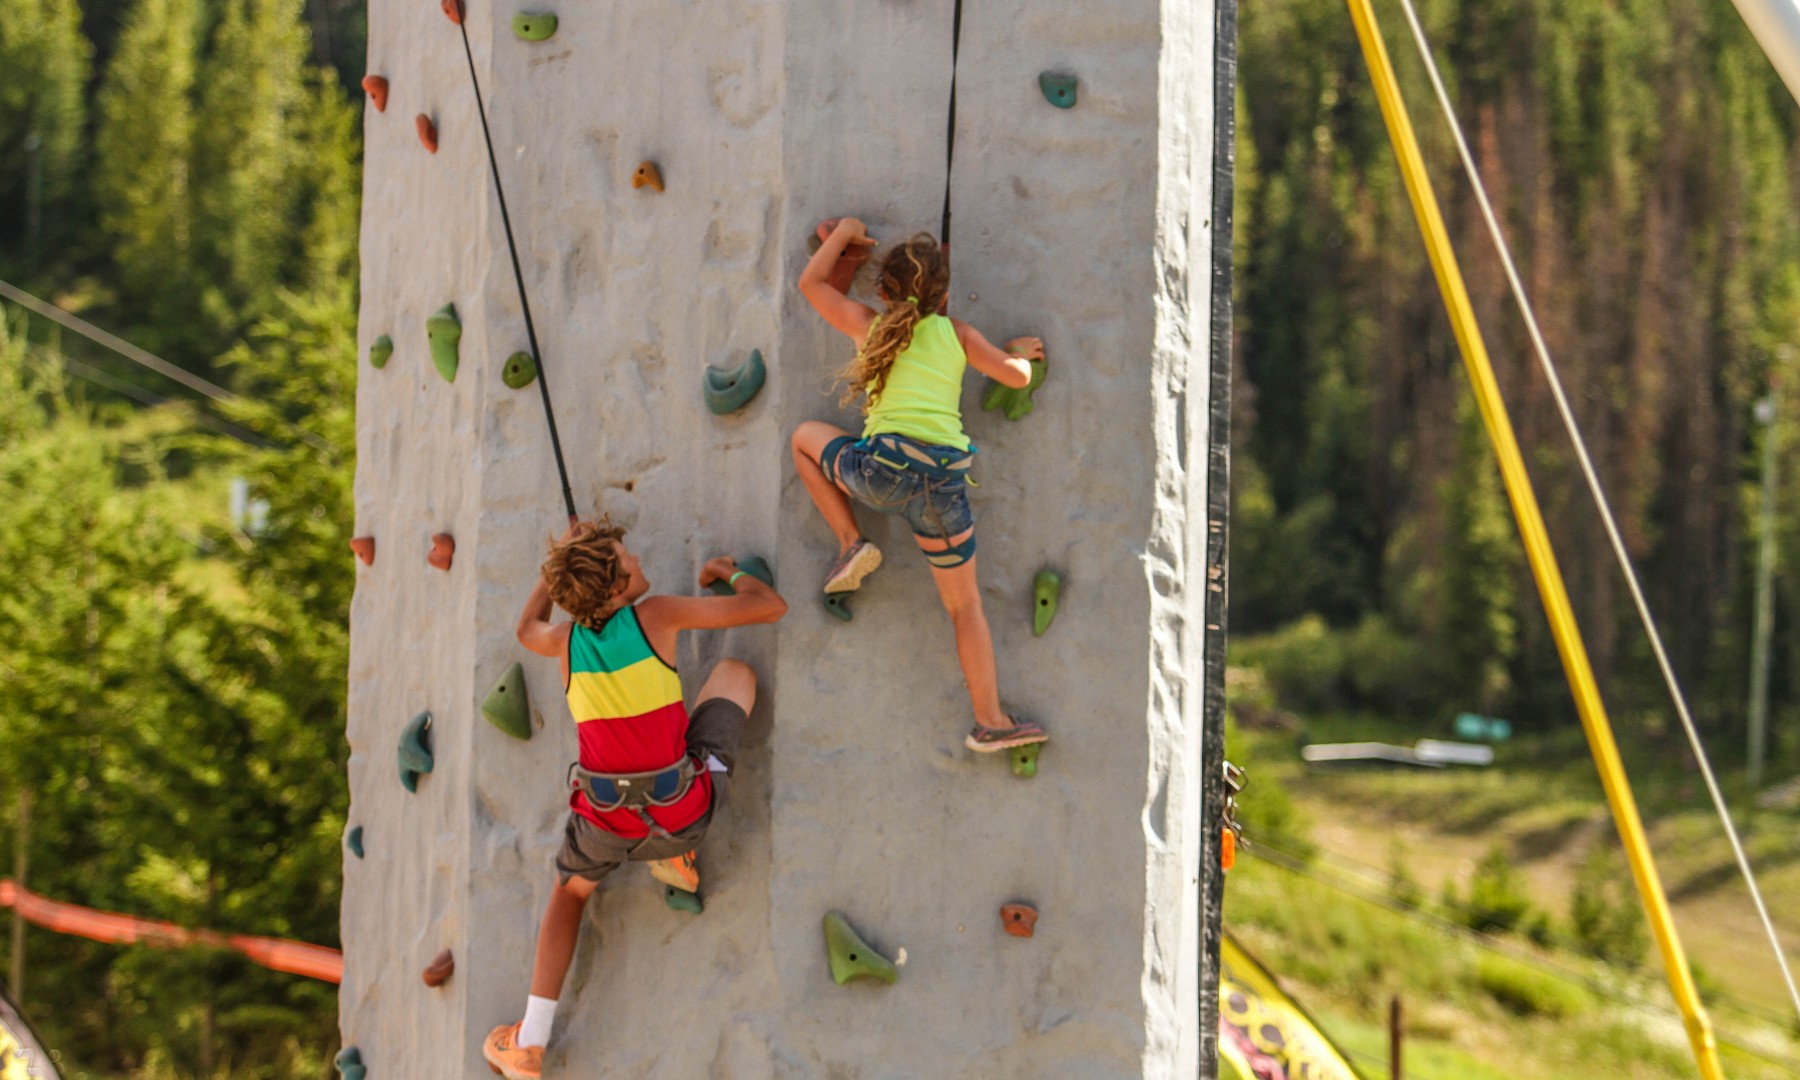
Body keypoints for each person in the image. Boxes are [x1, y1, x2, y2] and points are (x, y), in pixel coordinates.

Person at [483, 519, 787, 1080]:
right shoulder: (660, 614)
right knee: (735, 673)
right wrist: (730, 572)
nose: (640, 562)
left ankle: (529, 1040)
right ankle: (675, 855)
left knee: (570, 894)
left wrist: (559, 572)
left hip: (606, 824)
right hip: (684, 812)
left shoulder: (564, 642)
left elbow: (528, 626)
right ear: (617, 586)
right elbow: (769, 606)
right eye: (629, 561)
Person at [790, 217, 1050, 753]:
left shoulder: (869, 324)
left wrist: (845, 234)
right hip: (943, 492)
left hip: (878, 475)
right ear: (946, 295)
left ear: (882, 291)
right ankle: (990, 720)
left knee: (804, 439)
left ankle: (850, 541)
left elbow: (811, 285)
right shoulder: (958, 335)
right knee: (964, 606)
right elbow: (1016, 377)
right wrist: (1021, 351)